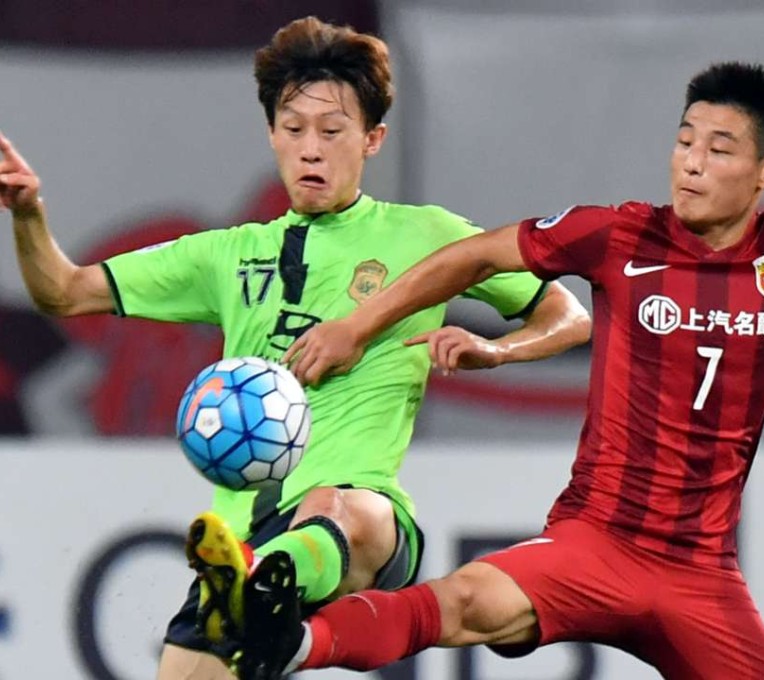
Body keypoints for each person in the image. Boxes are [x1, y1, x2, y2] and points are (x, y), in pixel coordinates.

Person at [216, 61, 764, 680]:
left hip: (703, 577)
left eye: (719, 148)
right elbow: (470, 255)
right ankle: (292, 644)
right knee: (464, 602)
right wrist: (360, 324)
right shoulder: (620, 236)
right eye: (684, 140)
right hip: (595, 544)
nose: (691, 163)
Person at [0, 16, 591, 680]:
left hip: (363, 524)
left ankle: (266, 575)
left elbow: (566, 313)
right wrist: (29, 214)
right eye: (294, 129)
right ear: (271, 135)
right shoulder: (228, 254)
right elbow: (68, 292)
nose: (311, 149)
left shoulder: (427, 237)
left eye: (332, 132)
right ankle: (251, 586)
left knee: (338, 509)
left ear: (373, 140)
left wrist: (499, 350)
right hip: (243, 541)